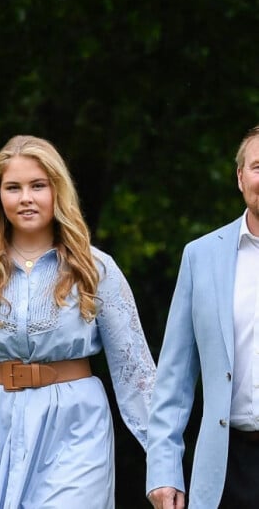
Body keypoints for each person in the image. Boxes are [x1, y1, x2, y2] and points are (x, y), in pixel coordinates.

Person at [0, 135, 156, 508]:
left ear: (57, 191)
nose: (26, 197)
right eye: (13, 187)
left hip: (75, 425)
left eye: (38, 186)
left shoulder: (96, 268)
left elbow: (134, 369)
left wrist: (163, 458)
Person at [146, 124, 259, 509]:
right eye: (258, 166)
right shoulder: (201, 257)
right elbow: (174, 377)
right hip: (230, 466)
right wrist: (163, 469)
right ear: (240, 177)